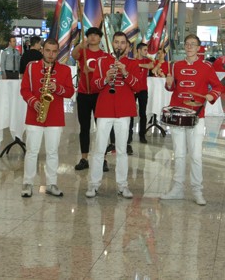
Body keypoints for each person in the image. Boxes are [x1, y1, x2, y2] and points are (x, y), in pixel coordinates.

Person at [160, 34, 223, 206]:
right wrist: (169, 82)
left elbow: (218, 86)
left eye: (193, 44)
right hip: (177, 113)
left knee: (195, 155)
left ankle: (197, 190)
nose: (189, 47)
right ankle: (177, 189)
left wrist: (210, 95)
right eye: (187, 44)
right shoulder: (175, 66)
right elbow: (171, 88)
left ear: (198, 48)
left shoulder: (206, 67)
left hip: (196, 115)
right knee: (179, 154)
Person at [85, 32, 142, 199]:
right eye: (116, 42)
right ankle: (94, 184)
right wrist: (105, 78)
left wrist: (125, 73)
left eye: (122, 43)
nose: (119, 45)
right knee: (99, 149)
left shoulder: (133, 63)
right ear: (112, 44)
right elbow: (94, 86)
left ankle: (122, 185)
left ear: (128, 46)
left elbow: (138, 87)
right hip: (104, 109)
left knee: (122, 150)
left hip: (124, 110)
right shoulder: (102, 62)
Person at [20, 38, 75, 198]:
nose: (51, 54)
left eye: (54, 51)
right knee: (31, 151)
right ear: (42, 50)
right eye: (48, 51)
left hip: (55, 117)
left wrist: (57, 88)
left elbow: (70, 92)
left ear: (58, 52)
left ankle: (51, 183)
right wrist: (34, 102)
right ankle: (27, 183)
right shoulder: (31, 67)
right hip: (34, 114)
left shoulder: (65, 70)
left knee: (52, 152)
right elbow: (24, 90)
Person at [72, 27, 109, 171]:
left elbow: (106, 72)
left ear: (100, 38)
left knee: (102, 128)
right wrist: (80, 45)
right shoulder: (83, 52)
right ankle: (84, 158)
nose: (93, 37)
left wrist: (92, 70)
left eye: (96, 35)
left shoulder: (104, 55)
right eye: (90, 35)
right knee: (84, 127)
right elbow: (74, 55)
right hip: (83, 93)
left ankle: (103, 158)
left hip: (99, 94)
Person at [128, 42, 154, 144]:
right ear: (138, 50)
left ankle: (142, 135)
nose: (146, 52)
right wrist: (140, 64)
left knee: (143, 113)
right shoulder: (131, 61)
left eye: (147, 50)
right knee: (130, 113)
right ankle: (129, 135)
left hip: (143, 89)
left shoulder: (147, 60)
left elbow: (151, 65)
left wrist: (140, 64)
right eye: (144, 50)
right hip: (132, 89)